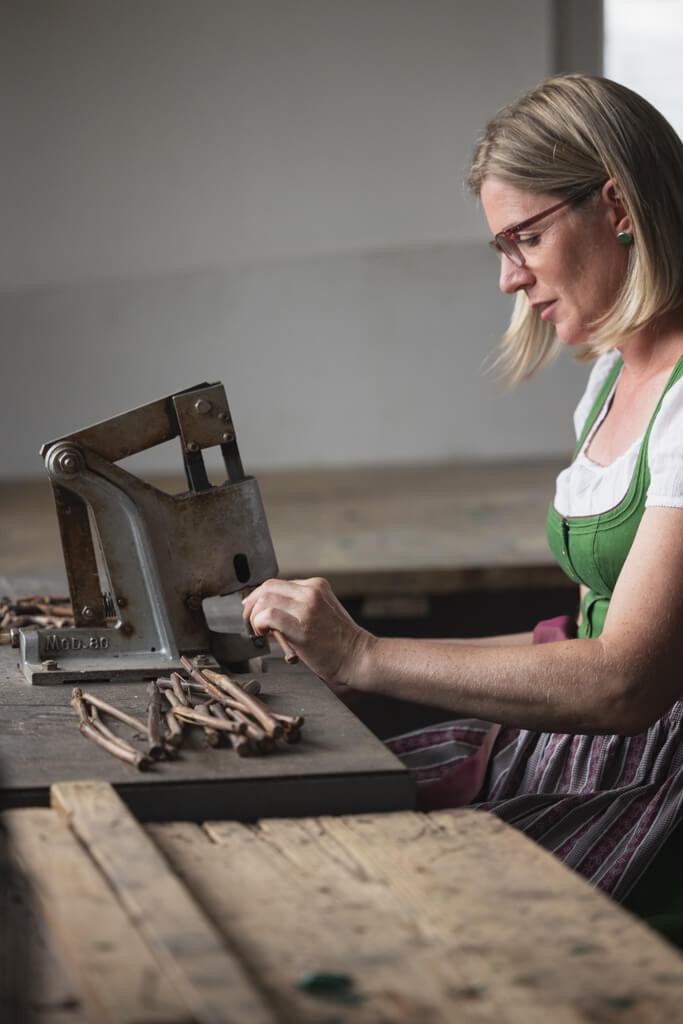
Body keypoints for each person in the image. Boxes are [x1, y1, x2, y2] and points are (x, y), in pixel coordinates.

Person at [242, 74, 683, 928]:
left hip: (658, 787)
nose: (508, 278)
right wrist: (371, 673)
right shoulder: (608, 381)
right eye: (499, 248)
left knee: (368, 903)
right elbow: (587, 634)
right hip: (602, 740)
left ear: (618, 206)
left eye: (524, 238)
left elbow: (625, 680)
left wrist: (368, 655)